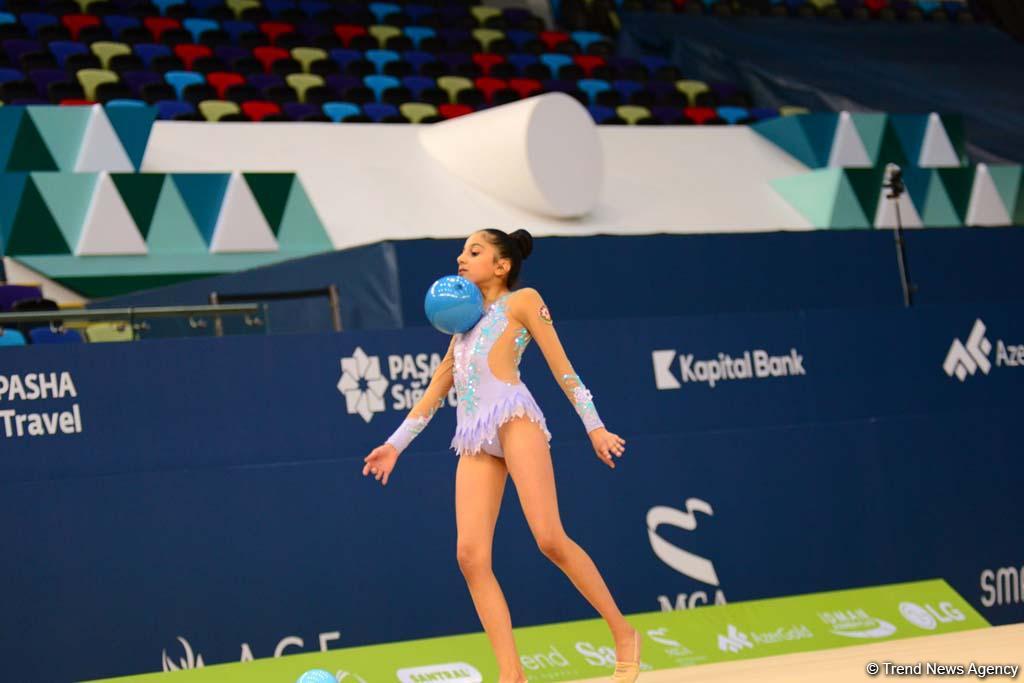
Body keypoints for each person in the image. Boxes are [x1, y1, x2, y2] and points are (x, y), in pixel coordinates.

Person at [362, 229, 641, 682]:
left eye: (474, 251)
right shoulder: (462, 323)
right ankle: (512, 674)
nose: (461, 258)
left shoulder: (523, 301)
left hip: (514, 420)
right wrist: (394, 445)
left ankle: (623, 632)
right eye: (462, 252)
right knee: (470, 556)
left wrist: (595, 426)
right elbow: (436, 390)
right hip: (474, 437)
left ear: (501, 265)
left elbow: (562, 367)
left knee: (549, 538)